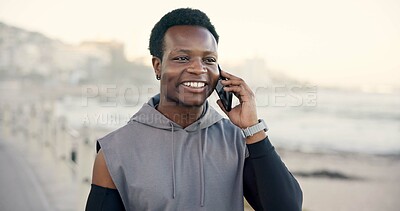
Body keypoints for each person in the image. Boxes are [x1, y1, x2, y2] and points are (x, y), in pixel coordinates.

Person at [85, 8, 302, 211]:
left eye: (209, 60)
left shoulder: (238, 140)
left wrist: (253, 129)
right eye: (182, 58)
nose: (198, 68)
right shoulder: (115, 151)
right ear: (158, 66)